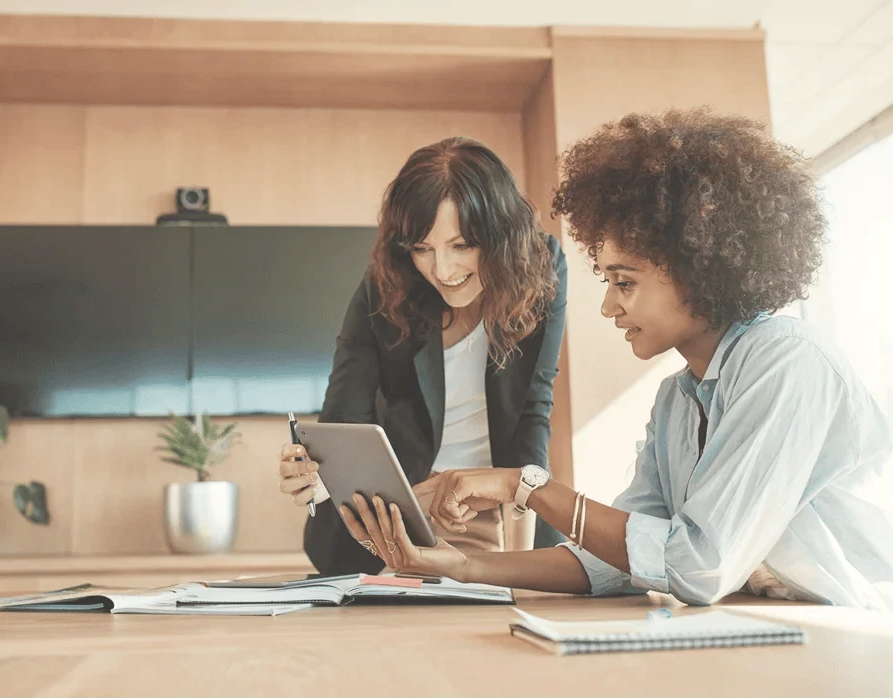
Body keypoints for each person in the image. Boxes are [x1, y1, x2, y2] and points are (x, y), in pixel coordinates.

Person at [342, 107, 893, 612]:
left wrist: (523, 486)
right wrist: (462, 567)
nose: (608, 306)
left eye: (624, 283)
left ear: (698, 270)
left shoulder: (787, 362)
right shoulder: (676, 401)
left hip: (854, 631)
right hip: (769, 622)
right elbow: (618, 562)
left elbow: (696, 565)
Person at [277, 136, 569, 575]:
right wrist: (318, 474)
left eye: (462, 245)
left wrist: (524, 535)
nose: (443, 271)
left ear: (502, 235)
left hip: (498, 508)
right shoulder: (387, 284)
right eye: (422, 248)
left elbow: (533, 407)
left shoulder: (540, 268)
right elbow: (345, 416)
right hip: (397, 514)